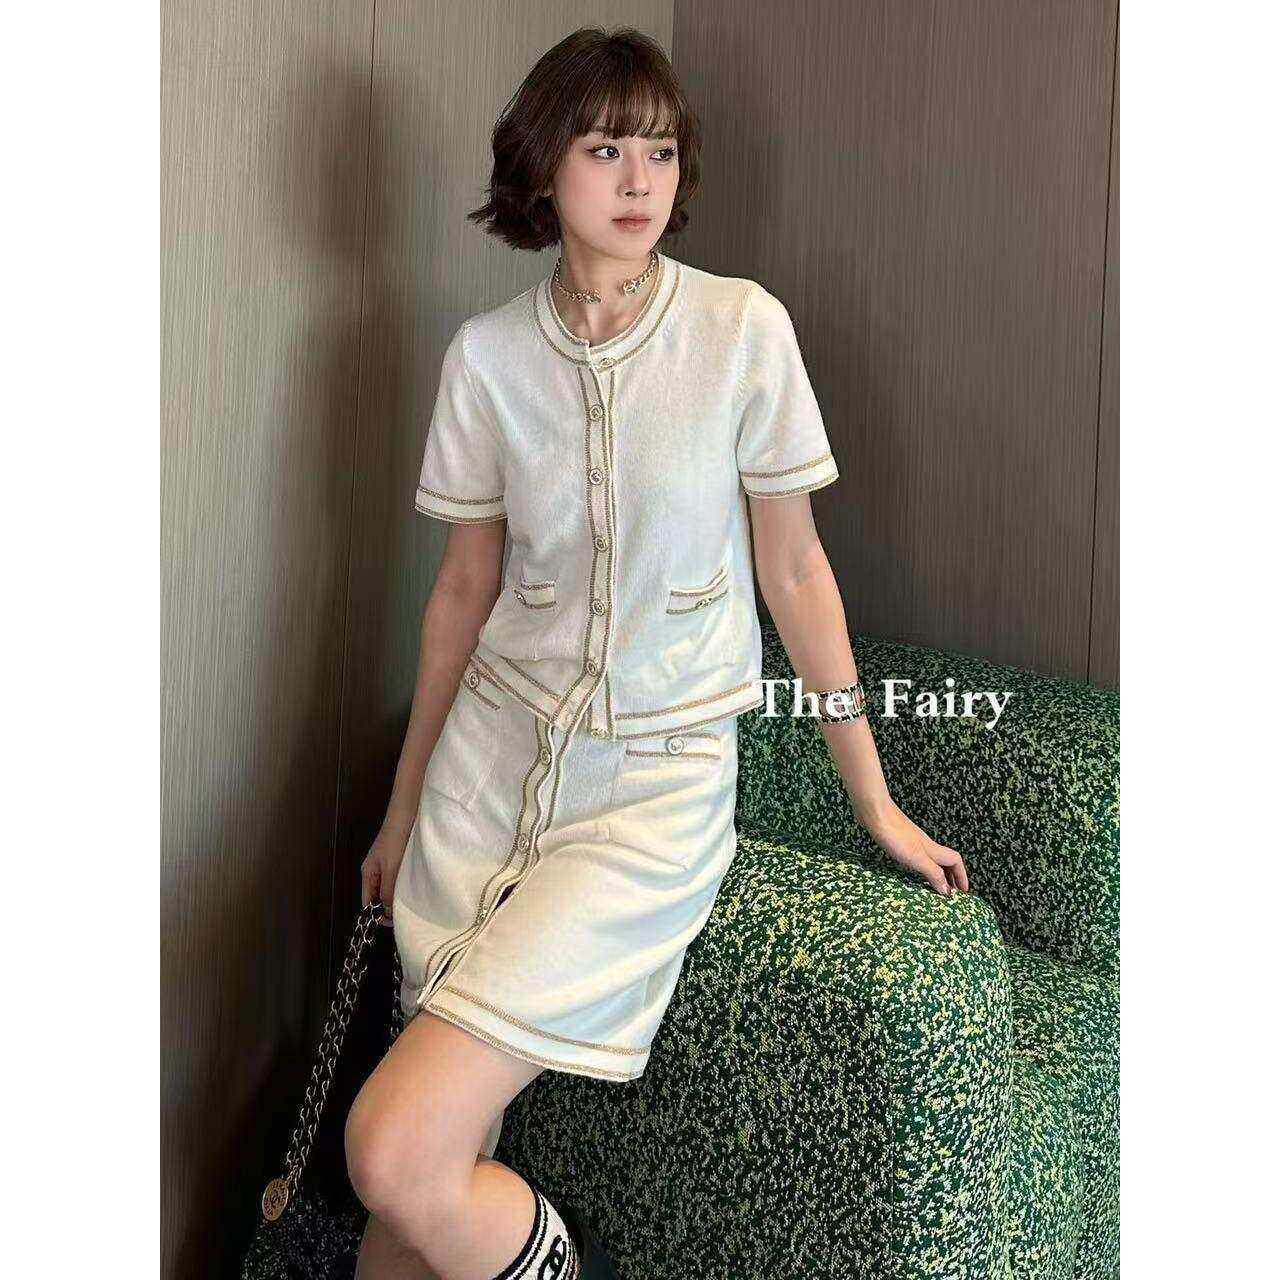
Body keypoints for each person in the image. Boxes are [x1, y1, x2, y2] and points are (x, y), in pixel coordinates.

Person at [343, 25, 968, 1280]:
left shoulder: (739, 331)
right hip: (482, 776)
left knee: (392, 1152)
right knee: (407, 1207)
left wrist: (872, 795)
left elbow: (795, 572)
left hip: (649, 795)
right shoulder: (487, 359)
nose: (640, 181)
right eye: (603, 149)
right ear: (542, 166)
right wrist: (404, 808)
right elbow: (461, 592)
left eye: (661, 151)